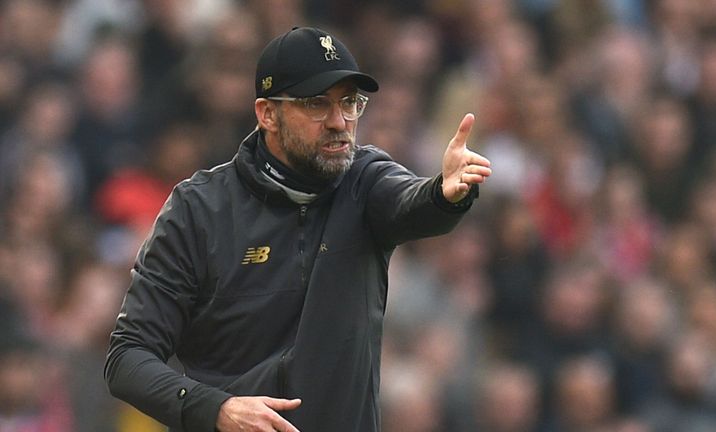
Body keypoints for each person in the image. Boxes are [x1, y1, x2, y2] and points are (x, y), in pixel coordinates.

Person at [104, 26, 491, 432]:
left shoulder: (365, 180)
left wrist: (445, 195)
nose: (340, 122)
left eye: (350, 103)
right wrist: (217, 409)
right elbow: (127, 358)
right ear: (267, 114)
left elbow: (412, 204)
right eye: (316, 104)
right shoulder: (198, 209)